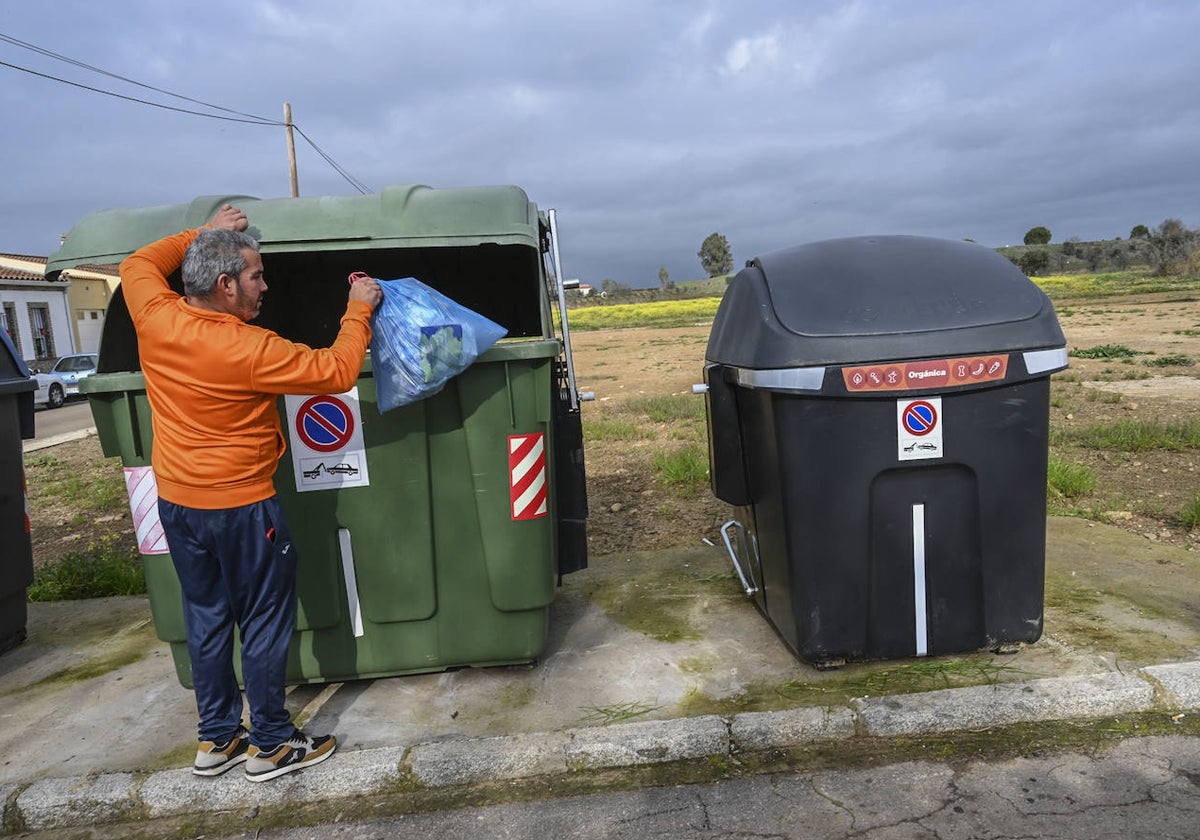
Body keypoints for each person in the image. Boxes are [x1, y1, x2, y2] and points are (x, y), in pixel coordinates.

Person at [120, 204, 382, 782]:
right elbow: (337, 371)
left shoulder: (154, 314)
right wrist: (358, 309)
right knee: (264, 621)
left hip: (179, 505)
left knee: (208, 619)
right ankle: (272, 744)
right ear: (225, 284)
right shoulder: (247, 349)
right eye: (257, 275)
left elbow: (138, 262)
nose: (266, 285)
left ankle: (217, 740)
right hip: (242, 508)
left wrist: (207, 231)